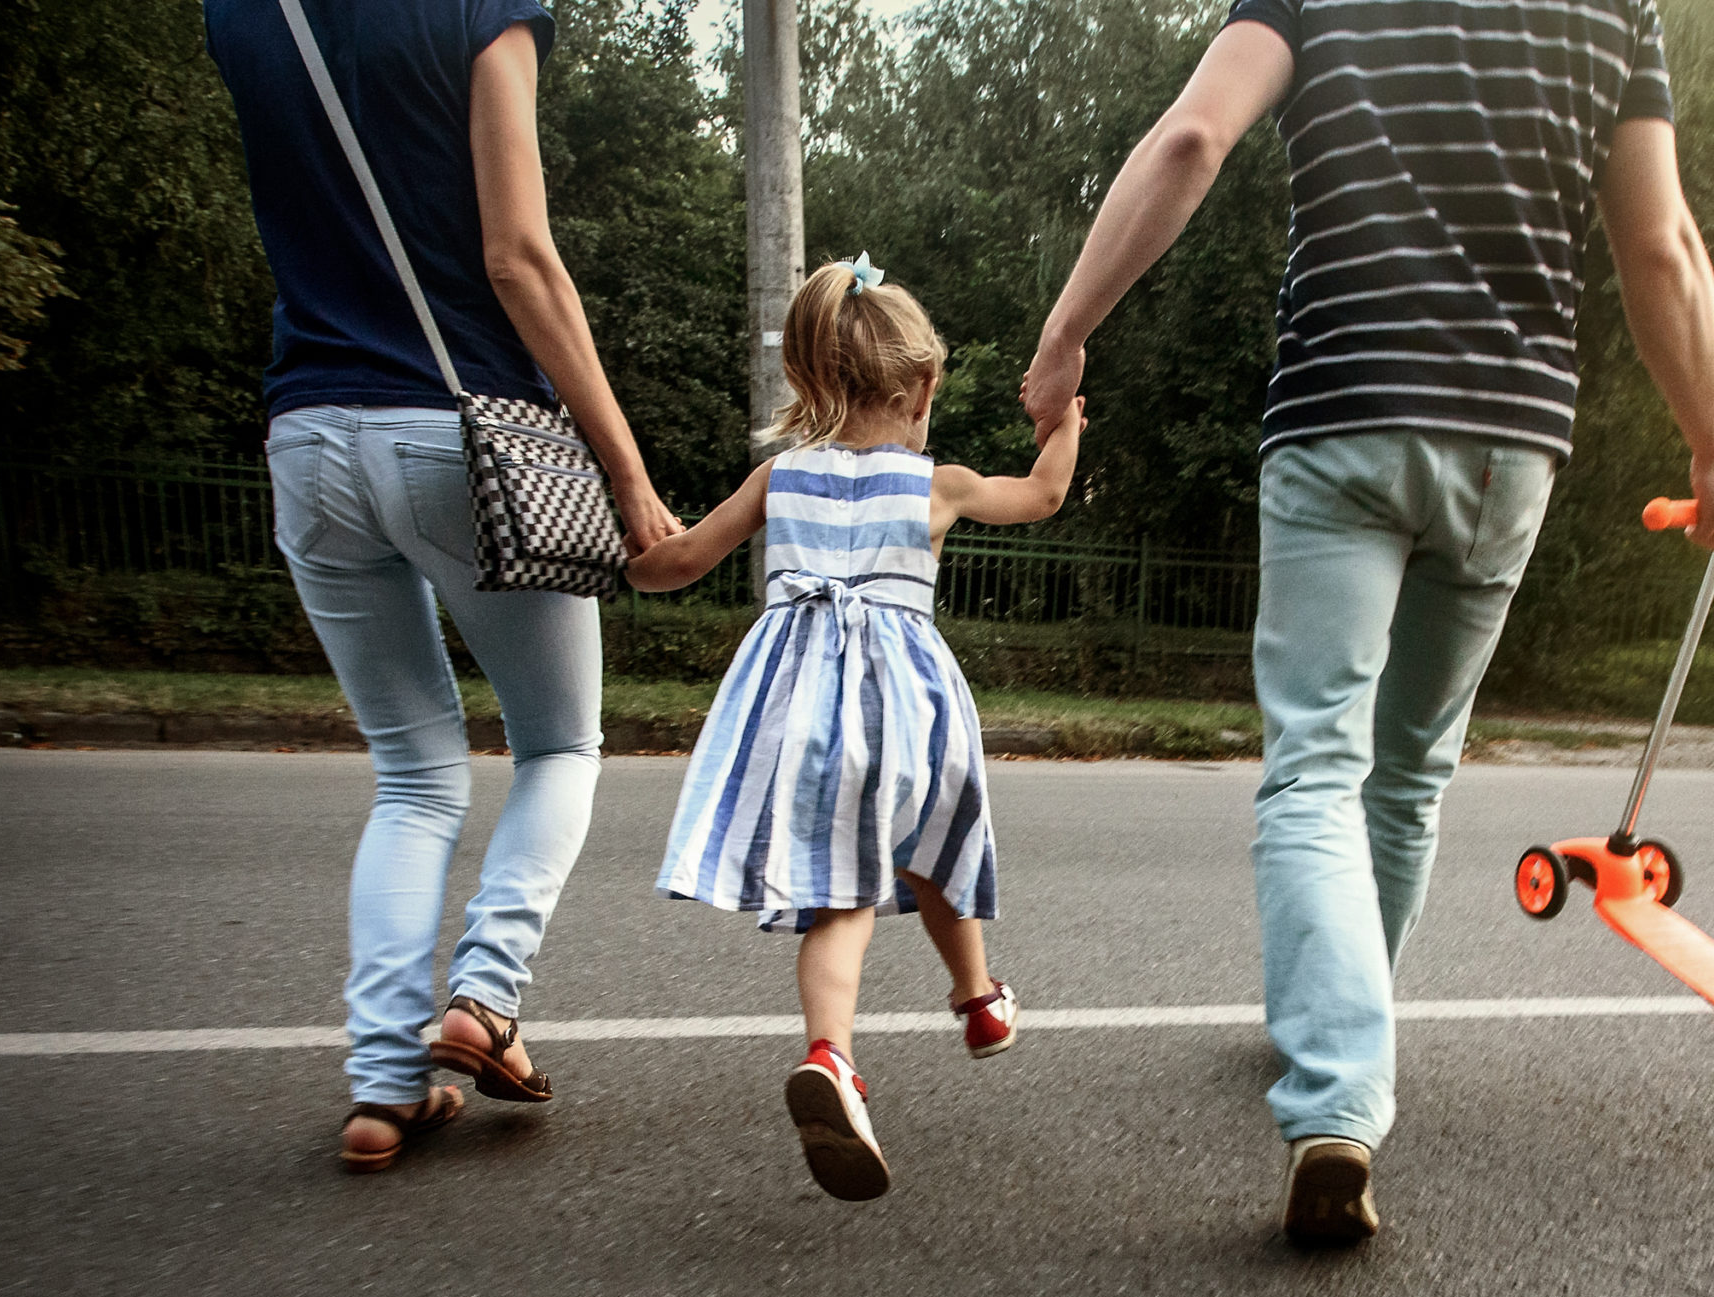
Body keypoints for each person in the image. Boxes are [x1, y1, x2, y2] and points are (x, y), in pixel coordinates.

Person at [1020, 0, 1714, 1243]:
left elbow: (1191, 141)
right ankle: (1343, 1027)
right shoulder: (1613, 9)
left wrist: (1064, 338)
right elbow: (1660, 244)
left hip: (1344, 406)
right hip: (1506, 437)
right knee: (1410, 769)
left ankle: (1336, 1096)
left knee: (1316, 762)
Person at [208, 0, 680, 1171]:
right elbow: (518, 256)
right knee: (560, 746)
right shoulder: (479, 5)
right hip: (459, 431)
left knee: (413, 773)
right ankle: (484, 996)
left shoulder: (242, 11)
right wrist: (626, 474)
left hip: (307, 433)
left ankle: (382, 1087)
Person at [629, 257, 1080, 1203]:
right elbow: (1042, 495)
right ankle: (975, 1002)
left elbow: (678, 561)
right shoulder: (938, 483)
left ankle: (842, 1049)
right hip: (910, 713)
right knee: (934, 842)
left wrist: (630, 557)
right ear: (919, 390)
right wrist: (1064, 426)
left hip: (803, 719)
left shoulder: (777, 477)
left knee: (843, 895)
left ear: (809, 379)